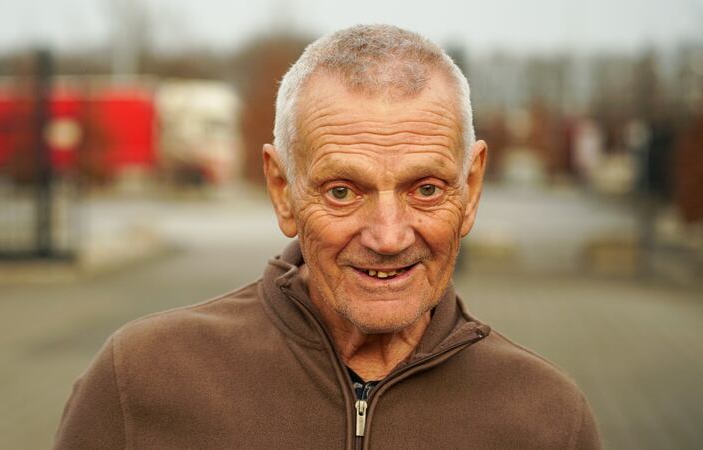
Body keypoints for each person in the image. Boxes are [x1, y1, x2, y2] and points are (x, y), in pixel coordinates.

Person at [54, 25, 602, 449]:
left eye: (427, 189)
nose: (388, 236)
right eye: (343, 191)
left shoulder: (547, 419)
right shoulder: (142, 379)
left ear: (472, 186)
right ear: (282, 189)